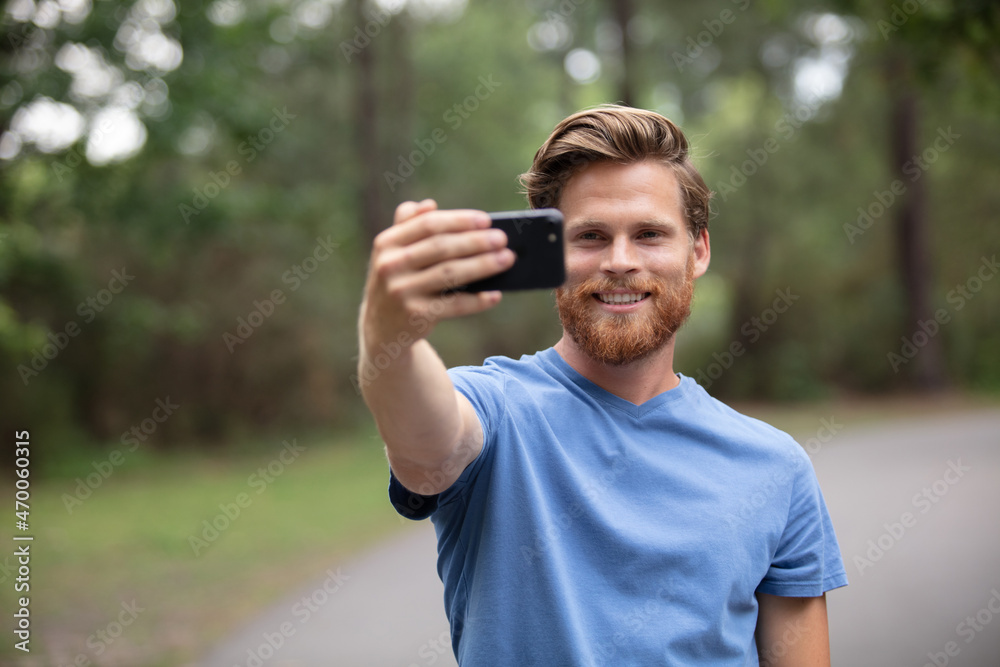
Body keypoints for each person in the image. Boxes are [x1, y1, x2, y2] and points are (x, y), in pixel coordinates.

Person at [357, 104, 848, 666]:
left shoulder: (776, 468)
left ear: (699, 250)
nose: (620, 261)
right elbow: (426, 450)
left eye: (649, 234)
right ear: (550, 256)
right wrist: (387, 338)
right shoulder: (495, 412)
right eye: (589, 235)